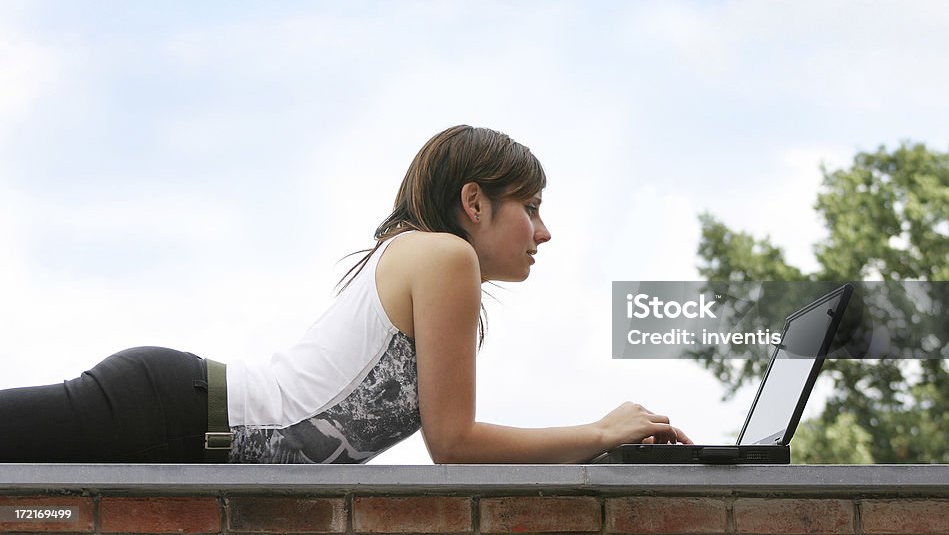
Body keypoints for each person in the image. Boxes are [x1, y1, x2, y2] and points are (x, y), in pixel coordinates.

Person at [0, 125, 690, 463]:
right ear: (474, 202)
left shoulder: (420, 257)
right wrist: (600, 433)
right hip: (171, 412)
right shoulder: (445, 256)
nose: (545, 231)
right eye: (531, 207)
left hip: (179, 411)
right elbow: (453, 443)